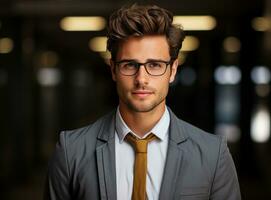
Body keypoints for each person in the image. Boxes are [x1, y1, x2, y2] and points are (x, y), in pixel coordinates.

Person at [44, 4, 241, 200]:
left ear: (172, 70)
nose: (141, 79)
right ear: (113, 69)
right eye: (130, 65)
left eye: (154, 65)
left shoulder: (213, 154)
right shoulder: (71, 151)